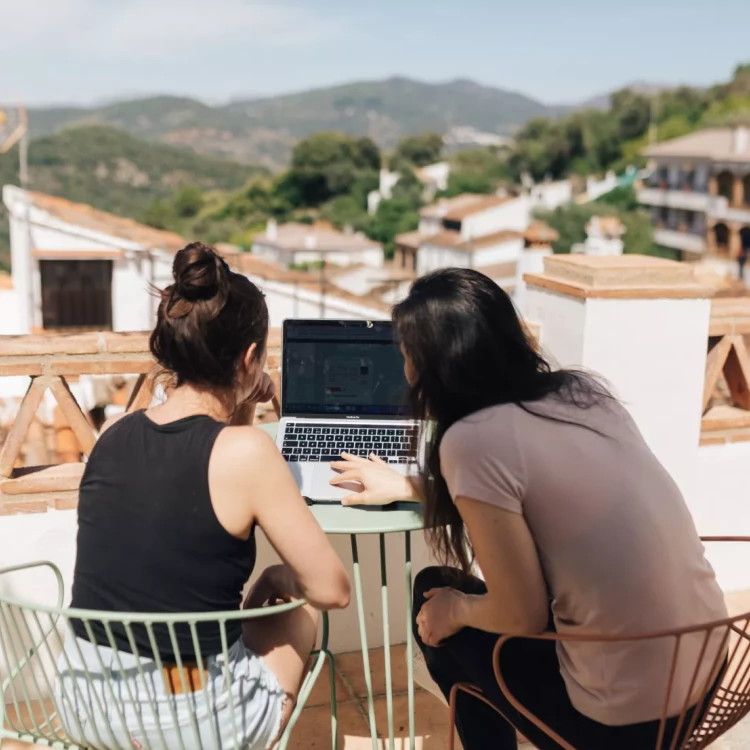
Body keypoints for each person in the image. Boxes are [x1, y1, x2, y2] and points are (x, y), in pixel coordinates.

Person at [330, 267, 727, 749]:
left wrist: (455, 610)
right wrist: (412, 485)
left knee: (435, 593)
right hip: (709, 678)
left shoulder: (470, 440)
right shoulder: (583, 393)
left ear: (434, 366)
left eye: (408, 355)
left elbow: (520, 614)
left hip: (626, 727)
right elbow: (538, 492)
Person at [56, 243, 350, 750]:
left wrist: (243, 403)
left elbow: (206, 461)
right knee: (301, 603)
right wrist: (280, 577)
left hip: (88, 704)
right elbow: (332, 591)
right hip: (187, 721)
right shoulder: (249, 455)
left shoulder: (113, 434)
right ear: (250, 357)